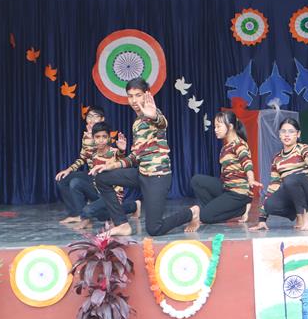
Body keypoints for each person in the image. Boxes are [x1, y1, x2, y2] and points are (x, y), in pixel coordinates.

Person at [90, 78, 198, 236]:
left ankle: (192, 212)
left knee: (154, 229)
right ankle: (122, 225)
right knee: (102, 178)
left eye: (138, 95)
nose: (134, 100)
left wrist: (154, 116)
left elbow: (162, 123)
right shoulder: (137, 123)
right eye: (130, 96)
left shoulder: (152, 114)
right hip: (142, 173)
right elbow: (135, 157)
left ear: (147, 95)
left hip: (157, 177)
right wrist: (109, 166)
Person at [250, 118, 308, 232]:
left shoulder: (303, 148)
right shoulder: (277, 159)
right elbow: (273, 187)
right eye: (283, 131)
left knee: (291, 179)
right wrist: (262, 219)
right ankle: (299, 214)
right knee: (270, 204)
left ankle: (305, 216)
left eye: (291, 131)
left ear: (298, 134)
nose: (287, 135)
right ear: (279, 134)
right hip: (295, 193)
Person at [188, 111, 260, 232]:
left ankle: (239, 209)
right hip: (227, 188)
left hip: (238, 193)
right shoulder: (225, 147)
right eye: (215, 127)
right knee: (197, 180)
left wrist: (251, 179)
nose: (215, 130)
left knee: (204, 216)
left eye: (218, 126)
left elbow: (247, 163)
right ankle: (213, 211)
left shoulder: (239, 145)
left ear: (230, 126)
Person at [71, 122, 140, 230]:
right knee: (76, 183)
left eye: (104, 136)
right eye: (97, 137)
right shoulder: (93, 154)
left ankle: (133, 206)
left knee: (91, 211)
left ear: (109, 138)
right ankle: (85, 218)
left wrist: (122, 150)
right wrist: (68, 170)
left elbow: (122, 160)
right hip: (98, 192)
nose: (101, 140)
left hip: (113, 195)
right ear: (93, 138)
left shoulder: (115, 152)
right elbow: (82, 157)